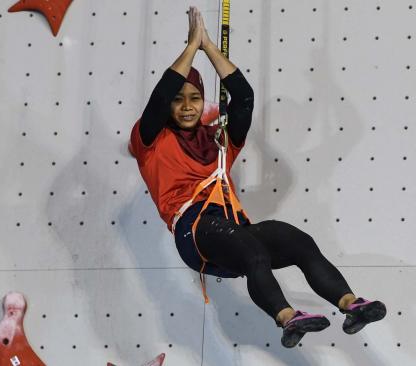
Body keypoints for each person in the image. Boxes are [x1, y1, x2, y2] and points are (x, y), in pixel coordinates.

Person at [129, 6, 386, 348]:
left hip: (233, 229)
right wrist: (192, 47)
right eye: (179, 101)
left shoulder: (218, 140)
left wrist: (210, 48)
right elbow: (160, 96)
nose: (188, 106)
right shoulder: (150, 140)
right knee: (251, 249)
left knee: (297, 240)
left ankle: (350, 304)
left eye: (194, 98)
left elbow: (244, 97)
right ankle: (286, 318)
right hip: (194, 231)